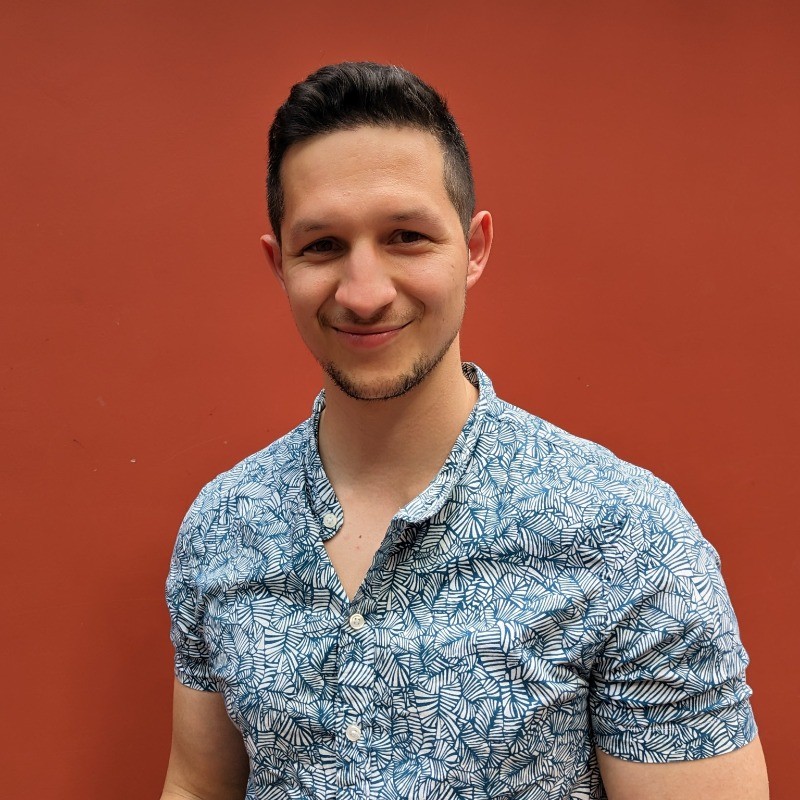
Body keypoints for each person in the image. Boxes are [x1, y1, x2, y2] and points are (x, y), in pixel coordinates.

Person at [162, 62, 768, 800]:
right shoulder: (223, 523)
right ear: (278, 264)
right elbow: (197, 785)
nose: (364, 293)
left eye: (407, 236)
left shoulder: (627, 537)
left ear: (474, 248)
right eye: (321, 246)